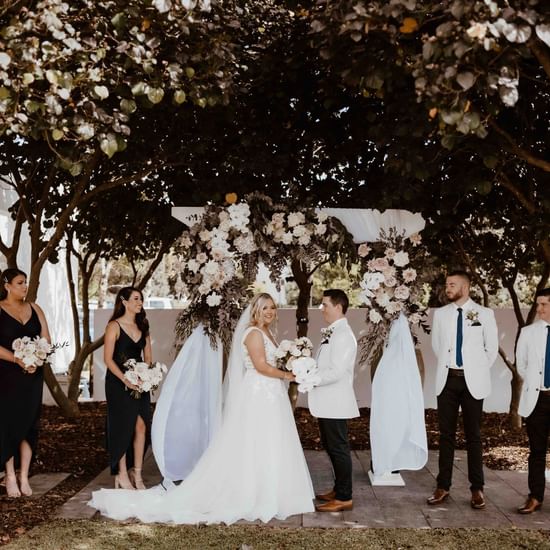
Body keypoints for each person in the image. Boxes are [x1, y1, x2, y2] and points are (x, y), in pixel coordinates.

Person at [90, 293, 315, 523]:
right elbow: (260, 366)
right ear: (255, 310)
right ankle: (254, 492)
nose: (270, 311)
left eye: (273, 308)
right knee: (255, 441)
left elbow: (271, 363)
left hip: (270, 393)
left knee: (270, 441)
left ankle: (271, 490)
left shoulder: (268, 332)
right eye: (265, 307)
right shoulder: (254, 333)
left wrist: (293, 362)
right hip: (259, 393)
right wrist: (289, 374)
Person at [427, 270, 498, 509]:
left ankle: (477, 489)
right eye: (447, 284)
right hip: (447, 380)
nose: (447, 288)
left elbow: (492, 349)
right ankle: (442, 486)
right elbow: (437, 346)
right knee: (446, 436)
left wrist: (475, 370)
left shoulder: (485, 314)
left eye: (452, 284)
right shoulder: (441, 315)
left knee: (473, 436)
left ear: (465, 288)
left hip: (472, 383)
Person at [0, 268, 51, 497]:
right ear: (6, 285)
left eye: (26, 282)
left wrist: (37, 359)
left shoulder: (35, 308)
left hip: (32, 375)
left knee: (30, 423)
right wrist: (17, 359)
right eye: (20, 282)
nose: (25, 286)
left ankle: (24, 475)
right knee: (9, 423)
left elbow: (46, 339)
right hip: (7, 376)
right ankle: (10, 475)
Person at [308, 289, 359, 512]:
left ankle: (344, 497)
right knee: (331, 446)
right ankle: (339, 489)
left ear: (338, 307)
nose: (322, 309)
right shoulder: (332, 332)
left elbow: (337, 371)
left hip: (335, 402)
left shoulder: (343, 335)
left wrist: (311, 379)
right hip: (327, 401)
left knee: (338, 449)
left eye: (325, 305)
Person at [103, 287, 152, 490]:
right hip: (118, 383)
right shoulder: (113, 326)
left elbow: (148, 357)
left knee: (141, 426)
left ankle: (137, 473)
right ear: (124, 302)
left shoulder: (143, 326)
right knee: (122, 427)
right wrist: (126, 380)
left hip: (140, 383)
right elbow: (107, 359)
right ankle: (121, 473)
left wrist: (146, 376)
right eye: (136, 299)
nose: (140, 302)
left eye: (141, 299)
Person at [516, 288, 550, 514]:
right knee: (536, 451)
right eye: (538, 304)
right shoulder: (528, 332)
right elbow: (522, 365)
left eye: (544, 304)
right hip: (537, 399)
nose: (539, 309)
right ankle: (535, 496)